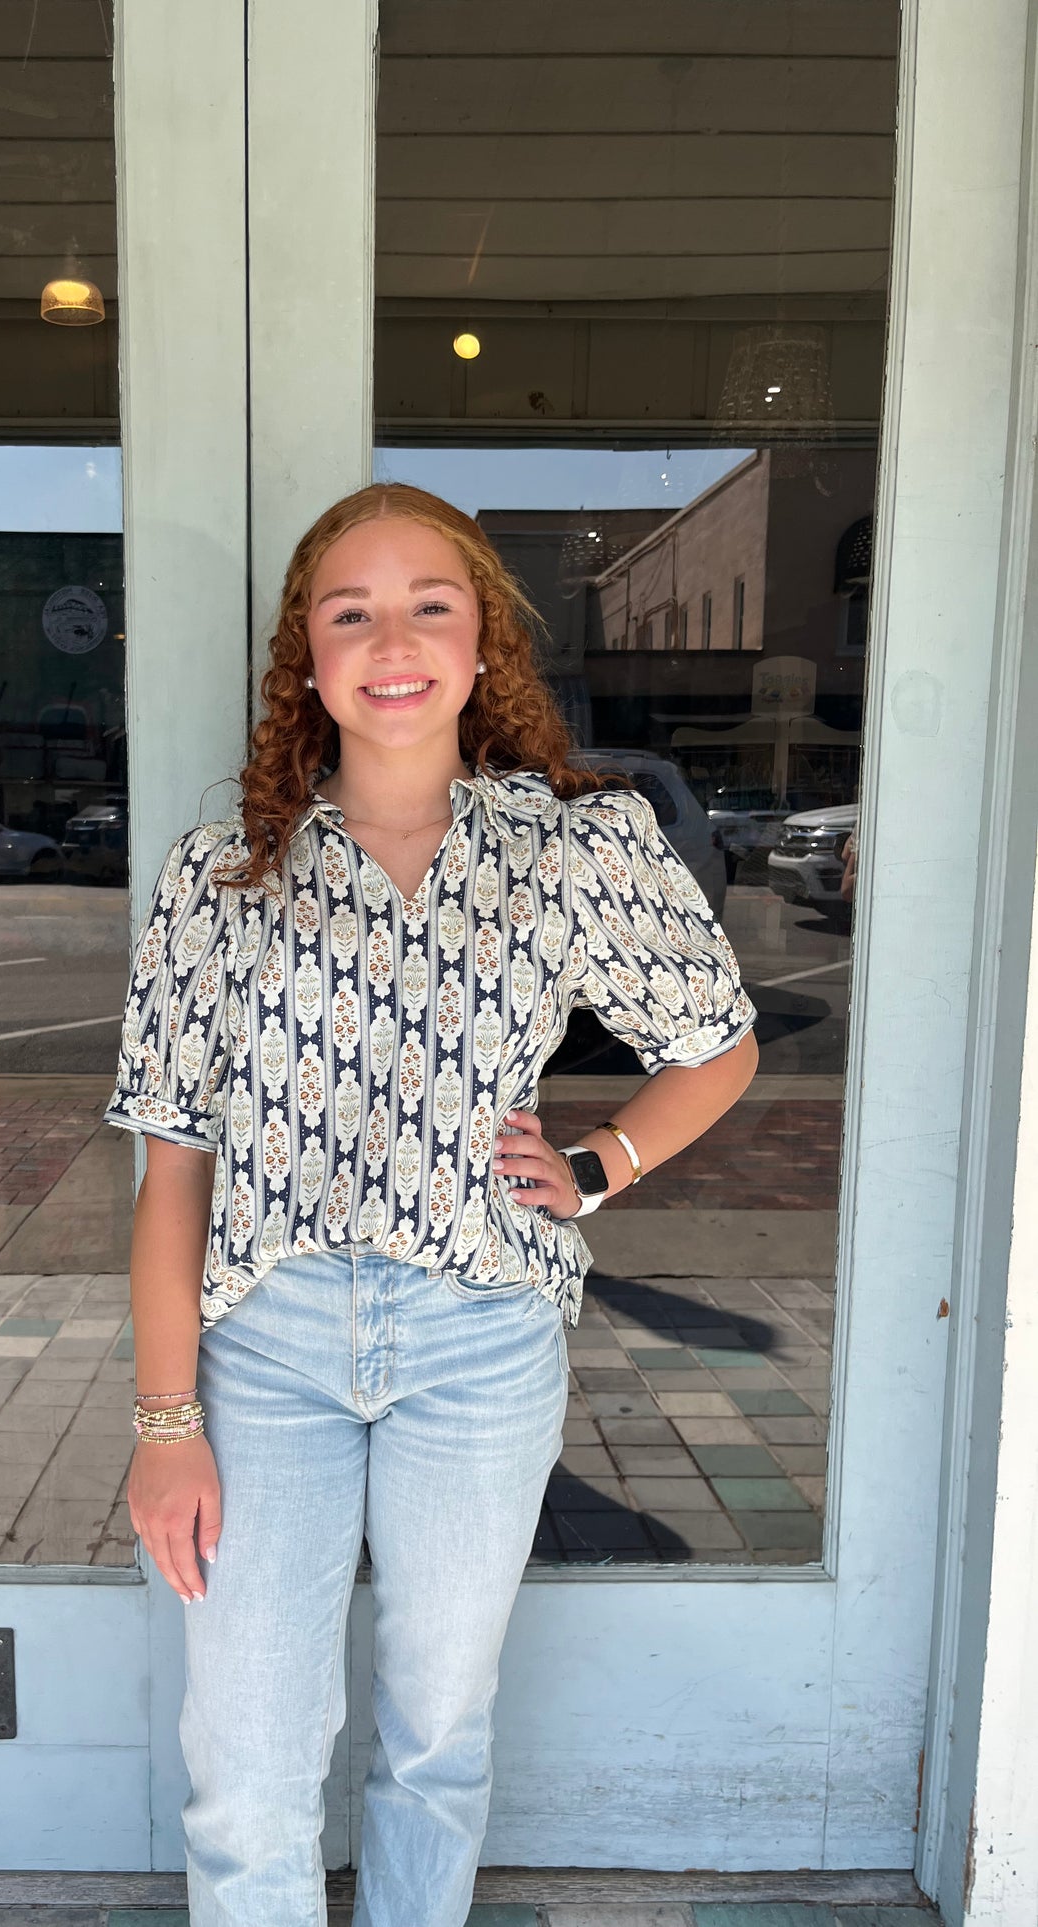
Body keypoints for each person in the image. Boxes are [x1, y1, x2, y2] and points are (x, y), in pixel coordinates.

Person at [101, 482, 759, 1927]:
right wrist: (165, 1426)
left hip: (481, 1344)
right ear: (308, 659)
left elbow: (716, 1044)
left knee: (435, 1737)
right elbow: (173, 1172)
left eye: (428, 605)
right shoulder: (220, 876)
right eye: (350, 611)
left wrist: (597, 1168)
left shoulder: (577, 845)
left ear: (479, 649)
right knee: (247, 1758)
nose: (389, 638)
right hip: (261, 1352)